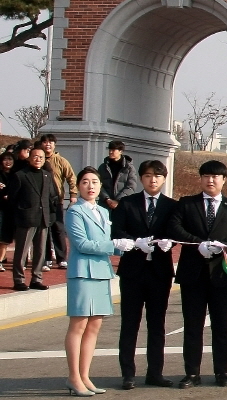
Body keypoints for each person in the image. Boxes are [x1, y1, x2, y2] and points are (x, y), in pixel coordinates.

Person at [166, 159, 227, 388]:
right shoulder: (187, 204)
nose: (211, 180)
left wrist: (223, 246)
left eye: (215, 177)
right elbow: (175, 227)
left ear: (223, 180)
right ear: (200, 179)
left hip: (221, 273)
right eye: (206, 176)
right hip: (193, 273)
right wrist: (197, 243)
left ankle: (222, 372)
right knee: (193, 325)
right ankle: (192, 373)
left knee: (221, 325)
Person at [111, 159, 178, 389]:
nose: (153, 180)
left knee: (157, 324)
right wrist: (134, 242)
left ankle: (155, 373)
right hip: (132, 271)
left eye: (157, 176)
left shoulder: (171, 206)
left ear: (164, 178)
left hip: (159, 272)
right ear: (141, 178)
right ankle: (128, 373)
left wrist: (170, 242)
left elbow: (175, 232)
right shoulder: (127, 203)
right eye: (148, 175)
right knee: (130, 323)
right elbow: (116, 230)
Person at [64, 167, 121, 396]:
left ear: (100, 187)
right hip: (82, 272)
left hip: (100, 271)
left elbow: (106, 242)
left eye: (95, 182)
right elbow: (83, 244)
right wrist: (115, 246)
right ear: (78, 186)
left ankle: (85, 375)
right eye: (85, 182)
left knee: (94, 325)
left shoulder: (103, 212)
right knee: (78, 325)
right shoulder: (74, 212)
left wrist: (133, 246)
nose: (90, 186)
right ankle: (73, 377)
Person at [10, 144, 55, 290]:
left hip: (43, 218)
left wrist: (51, 215)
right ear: (29, 158)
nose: (38, 159)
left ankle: (36, 278)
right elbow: (13, 198)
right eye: (35, 156)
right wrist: (19, 213)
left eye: (41, 157)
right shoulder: (20, 175)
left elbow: (51, 196)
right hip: (25, 218)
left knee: (40, 251)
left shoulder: (47, 175)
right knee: (22, 251)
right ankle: (19, 280)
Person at [41, 135, 76, 271]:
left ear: (54, 145)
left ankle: (61, 258)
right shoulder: (38, 159)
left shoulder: (61, 161)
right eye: (45, 142)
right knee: (43, 230)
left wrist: (73, 194)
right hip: (41, 202)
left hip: (57, 201)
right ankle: (47, 258)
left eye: (50, 142)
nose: (47, 144)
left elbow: (71, 177)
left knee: (58, 229)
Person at [96, 141, 139, 213]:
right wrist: (107, 199)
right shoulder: (103, 167)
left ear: (120, 151)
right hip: (104, 205)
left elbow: (131, 186)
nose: (110, 152)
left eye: (113, 150)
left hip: (123, 205)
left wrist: (118, 201)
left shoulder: (129, 168)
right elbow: (98, 184)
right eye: (109, 150)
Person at [0, 150, 17, 274]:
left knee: (5, 237)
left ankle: (0, 260)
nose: (8, 162)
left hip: (10, 210)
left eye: (10, 159)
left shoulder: (16, 175)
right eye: (5, 159)